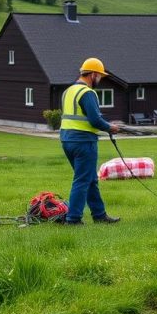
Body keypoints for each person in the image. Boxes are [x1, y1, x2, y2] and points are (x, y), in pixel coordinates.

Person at [60, 57, 121, 225]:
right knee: (82, 179)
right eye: (100, 76)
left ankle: (99, 215)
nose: (100, 79)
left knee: (89, 178)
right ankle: (73, 219)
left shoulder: (68, 91)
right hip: (83, 141)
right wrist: (110, 127)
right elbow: (95, 120)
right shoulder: (87, 93)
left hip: (67, 140)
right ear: (93, 74)